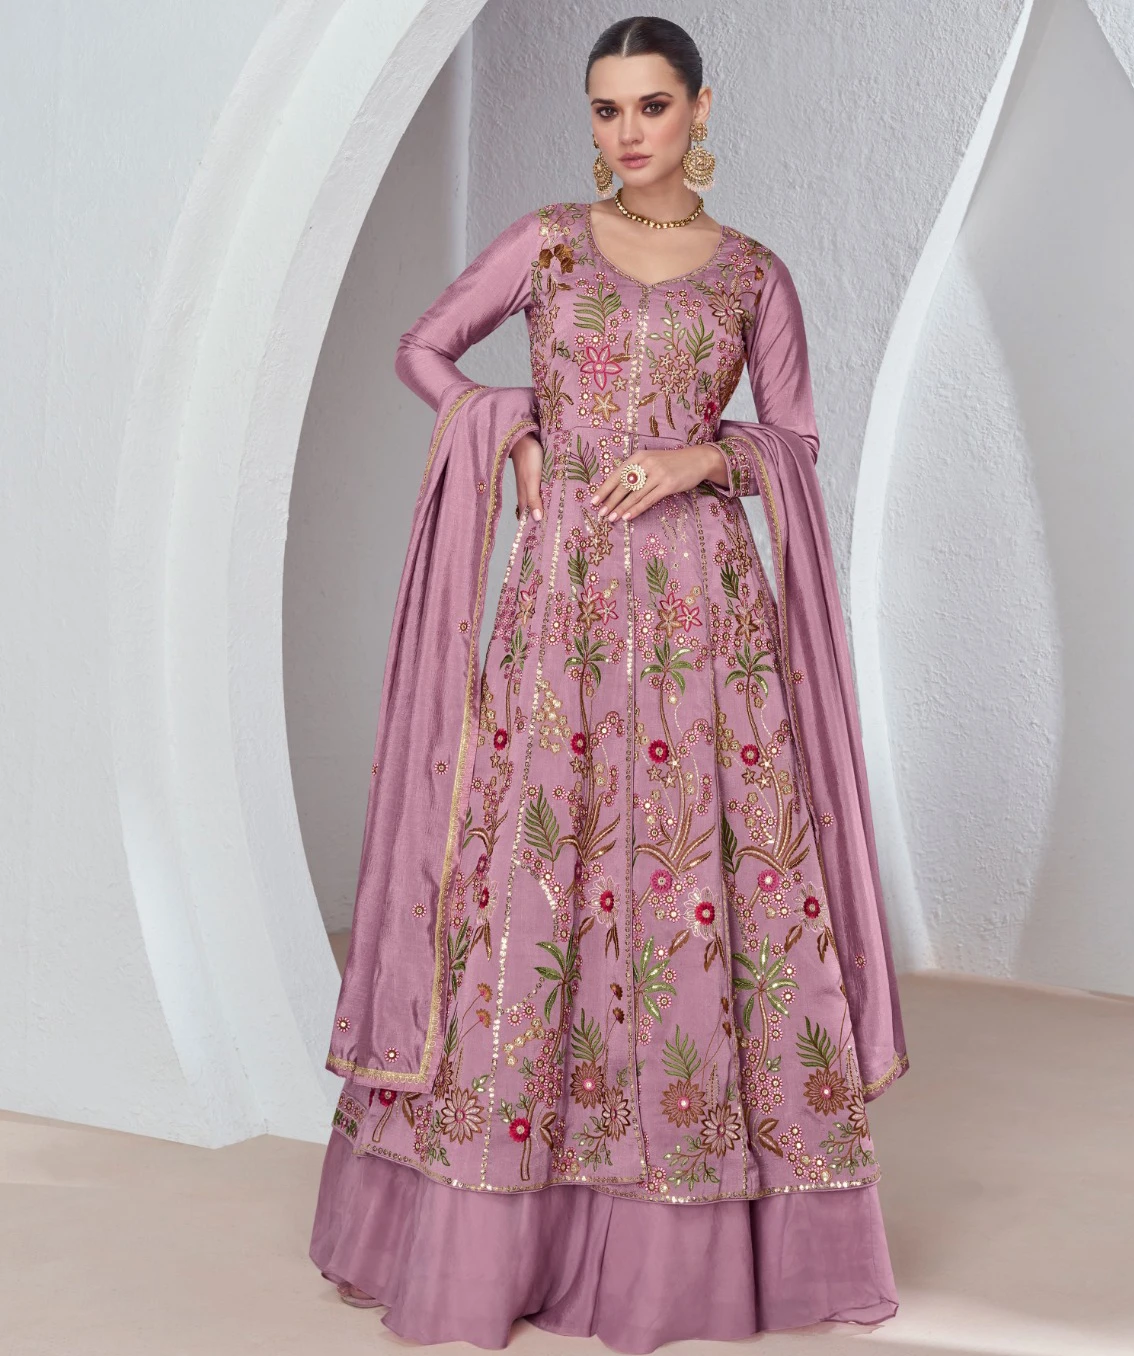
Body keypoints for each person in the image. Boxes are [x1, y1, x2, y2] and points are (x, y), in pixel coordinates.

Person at [308, 15, 909, 1352]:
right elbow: (423, 349)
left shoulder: (753, 274)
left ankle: (682, 1238)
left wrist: (704, 460)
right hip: (563, 601)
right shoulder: (547, 244)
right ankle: (500, 1226)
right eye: (604, 109)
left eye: (650, 105)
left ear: (701, 110)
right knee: (536, 877)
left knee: (695, 887)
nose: (626, 132)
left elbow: (797, 441)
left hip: (704, 617)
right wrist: (512, 433)